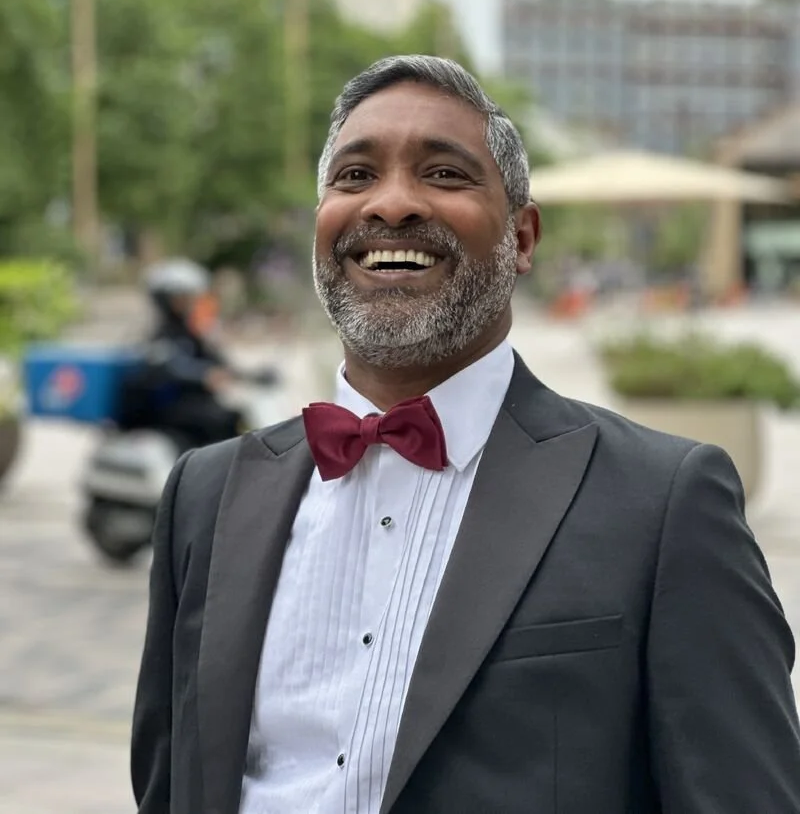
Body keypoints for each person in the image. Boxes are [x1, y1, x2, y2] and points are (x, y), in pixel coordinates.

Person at [131, 56, 800, 814]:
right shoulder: (205, 494)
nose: (390, 204)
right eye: (354, 176)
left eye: (444, 174)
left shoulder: (664, 504)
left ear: (521, 236)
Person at [117, 258, 241, 449]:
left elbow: (214, 358)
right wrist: (202, 376)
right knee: (219, 420)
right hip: (164, 409)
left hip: (190, 404)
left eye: (189, 297)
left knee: (235, 416)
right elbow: (168, 367)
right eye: (180, 297)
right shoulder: (159, 335)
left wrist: (249, 374)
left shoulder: (188, 331)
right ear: (164, 299)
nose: (188, 303)